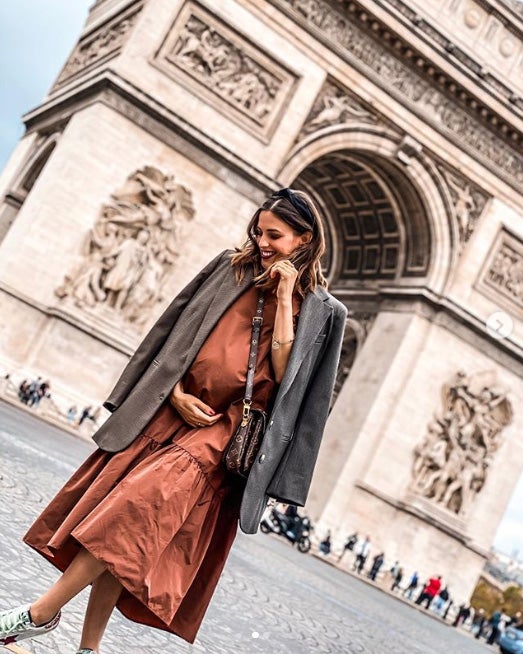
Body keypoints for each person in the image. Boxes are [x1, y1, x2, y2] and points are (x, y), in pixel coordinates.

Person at [0, 188, 347, 652]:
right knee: (130, 530)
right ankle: (89, 649)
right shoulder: (231, 268)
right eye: (258, 231)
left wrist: (286, 297)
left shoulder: (321, 312)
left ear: (304, 239)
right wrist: (175, 391)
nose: (262, 242)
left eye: (275, 236)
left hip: (225, 434)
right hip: (172, 414)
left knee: (134, 512)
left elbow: (288, 378)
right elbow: (175, 330)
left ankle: (38, 614)